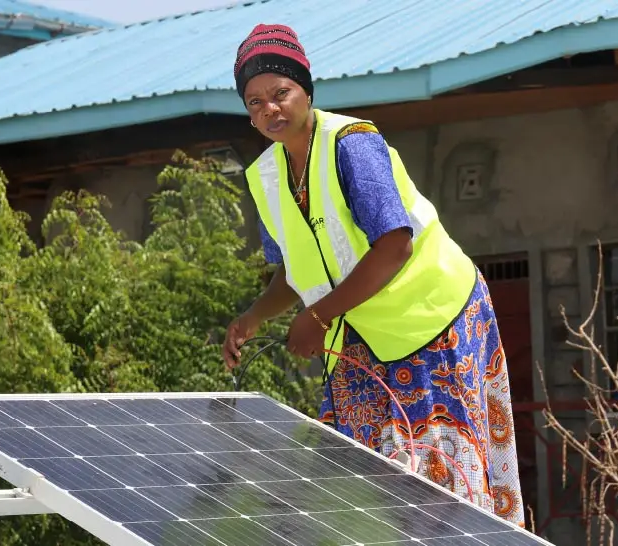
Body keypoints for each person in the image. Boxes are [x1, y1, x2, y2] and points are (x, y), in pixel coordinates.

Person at [222, 23, 525, 528]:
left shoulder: (351, 144)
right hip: (358, 333)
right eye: (254, 103)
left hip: (433, 320)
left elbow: (395, 245)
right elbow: (295, 273)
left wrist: (317, 317)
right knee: (358, 480)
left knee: (437, 481)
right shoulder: (265, 178)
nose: (269, 110)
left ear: (306, 90)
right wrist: (252, 318)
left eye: (280, 93)